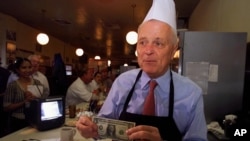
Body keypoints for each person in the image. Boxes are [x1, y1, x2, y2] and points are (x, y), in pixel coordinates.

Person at [76, 0, 207, 141]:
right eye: (143, 42)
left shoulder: (191, 94)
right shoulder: (122, 82)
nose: (148, 51)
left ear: (173, 49)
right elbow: (102, 126)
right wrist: (92, 130)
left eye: (158, 43)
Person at [3, 58, 47, 133]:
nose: (28, 70)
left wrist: (35, 98)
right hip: (18, 121)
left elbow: (44, 100)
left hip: (35, 119)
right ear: (17, 70)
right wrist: (25, 101)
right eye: (24, 68)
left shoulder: (37, 83)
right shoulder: (13, 85)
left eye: (29, 67)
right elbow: (6, 107)